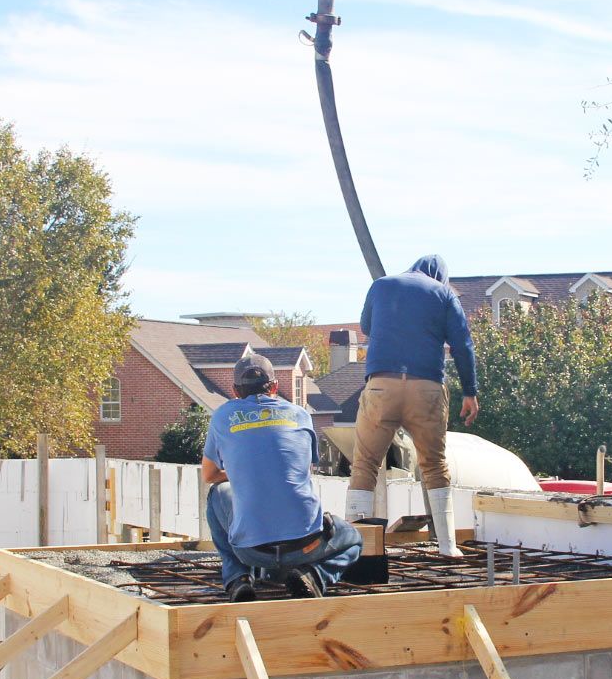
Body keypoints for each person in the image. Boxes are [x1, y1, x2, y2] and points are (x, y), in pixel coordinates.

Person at [346, 254, 479, 556]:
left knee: (364, 464)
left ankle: (354, 549)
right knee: (434, 465)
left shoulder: (381, 286)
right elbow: (463, 345)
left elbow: (367, 326)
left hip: (382, 386)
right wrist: (470, 391)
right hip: (426, 389)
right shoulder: (444, 294)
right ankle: (448, 546)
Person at [203, 352, 363, 601]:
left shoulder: (223, 416)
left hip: (251, 551)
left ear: (235, 391)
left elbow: (210, 475)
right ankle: (315, 576)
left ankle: (237, 578)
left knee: (217, 494)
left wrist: (241, 471)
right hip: (306, 546)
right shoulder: (301, 415)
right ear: (275, 386)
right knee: (352, 539)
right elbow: (299, 468)